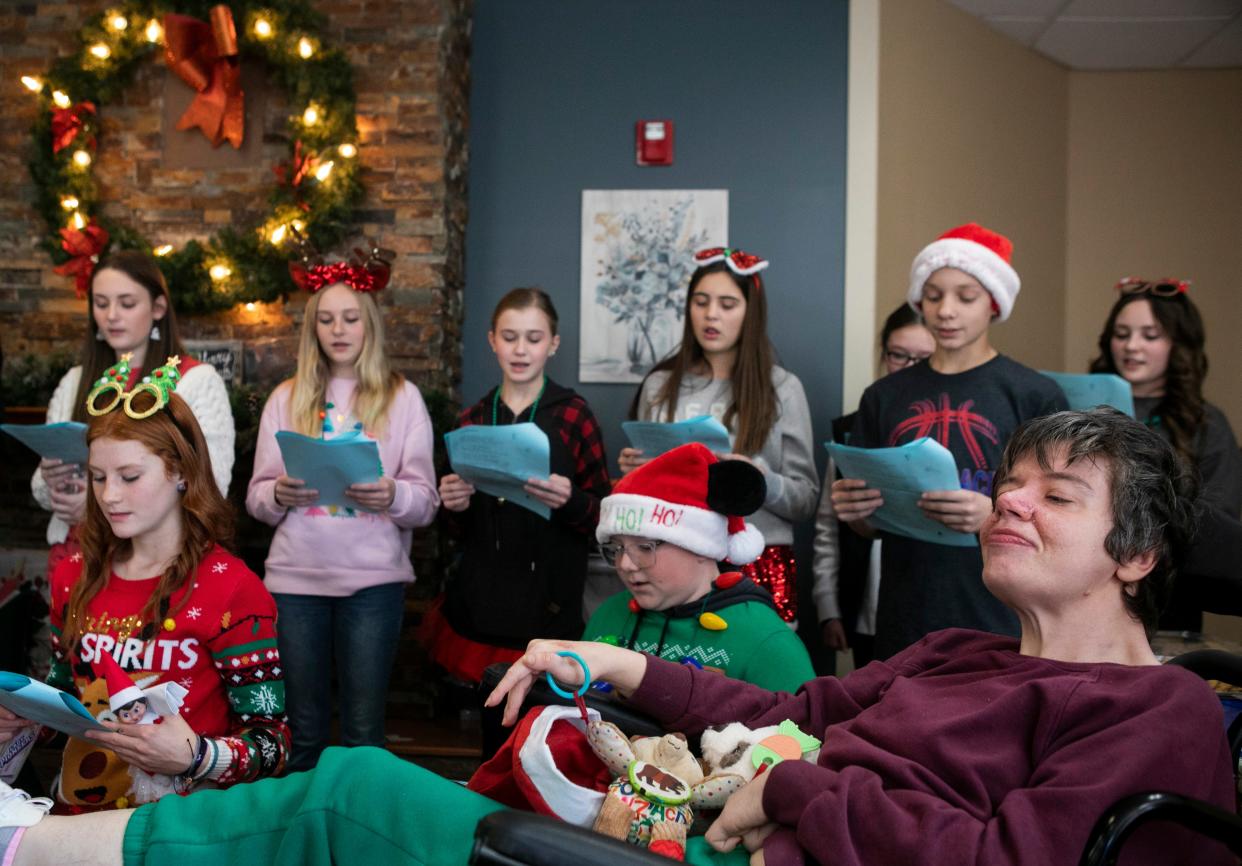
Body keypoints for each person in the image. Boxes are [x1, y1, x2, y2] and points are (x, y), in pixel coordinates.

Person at [3, 409, 1234, 866]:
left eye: (1053, 494)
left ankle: (35, 846)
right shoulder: (961, 657)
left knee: (350, 793)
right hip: (721, 821)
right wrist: (610, 659)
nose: (1008, 499)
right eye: (1008, 481)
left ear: (1135, 556)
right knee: (354, 780)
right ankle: (43, 838)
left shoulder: (1157, 713)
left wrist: (798, 796)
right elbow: (786, 717)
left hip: (742, 845)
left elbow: (1007, 858)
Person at [0, 358, 286, 815]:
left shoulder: (231, 589)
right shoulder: (74, 575)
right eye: (97, 477)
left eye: (129, 477)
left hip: (180, 831)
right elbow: (65, 698)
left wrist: (197, 756)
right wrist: (23, 721)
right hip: (77, 823)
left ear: (182, 475)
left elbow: (272, 743)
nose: (109, 494)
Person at [832, 223, 1067, 659]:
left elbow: (1062, 511)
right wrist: (856, 513)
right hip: (905, 615)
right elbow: (867, 523)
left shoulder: (1033, 394)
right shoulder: (884, 396)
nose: (946, 310)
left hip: (999, 615)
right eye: (934, 295)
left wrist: (991, 515)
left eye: (966, 296)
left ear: (993, 304)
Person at [245, 249, 439, 772]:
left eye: (351, 318)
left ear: (369, 324)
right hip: (294, 584)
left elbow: (426, 502)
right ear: (312, 329)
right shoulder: (286, 398)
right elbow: (256, 500)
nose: (339, 330)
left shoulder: (403, 398)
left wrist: (392, 494)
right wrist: (279, 494)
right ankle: (301, 840)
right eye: (326, 320)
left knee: (363, 734)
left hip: (372, 586)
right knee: (302, 731)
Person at [620, 247, 818, 623]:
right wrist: (637, 473)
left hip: (758, 564)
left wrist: (756, 478)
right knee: (668, 675)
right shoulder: (660, 385)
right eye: (701, 302)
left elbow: (806, 500)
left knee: (752, 676)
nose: (711, 314)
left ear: (750, 312)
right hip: (670, 560)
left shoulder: (783, 388)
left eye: (727, 304)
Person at [423, 288, 611, 683]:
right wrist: (453, 506)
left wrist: (571, 500)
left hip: (551, 600)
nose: (521, 350)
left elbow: (605, 519)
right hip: (483, 598)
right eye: (509, 337)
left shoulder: (574, 415)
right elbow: (454, 531)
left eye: (534, 338)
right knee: (488, 713)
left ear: (553, 344)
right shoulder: (473, 419)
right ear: (492, 340)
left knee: (542, 721)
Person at [31, 251, 235, 577]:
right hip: (78, 557)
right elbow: (40, 486)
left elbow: (213, 484)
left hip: (163, 562)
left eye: (126, 304)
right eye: (100, 303)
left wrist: (94, 502)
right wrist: (50, 481)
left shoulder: (195, 380)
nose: (112, 315)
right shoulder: (75, 381)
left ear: (158, 308)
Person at [582, 443, 815, 693]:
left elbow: (804, 730)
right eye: (616, 548)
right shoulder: (608, 615)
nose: (625, 564)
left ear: (702, 547)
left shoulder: (766, 641)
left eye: (645, 547)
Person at [1089, 277, 1242, 631]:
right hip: (1081, 594)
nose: (1132, 346)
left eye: (1150, 335)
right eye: (1122, 333)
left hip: (1167, 603)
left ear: (1178, 343)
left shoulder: (1205, 423)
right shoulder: (1082, 411)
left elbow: (1216, 523)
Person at [812, 304, 934, 667]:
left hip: (934, 605)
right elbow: (827, 524)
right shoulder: (856, 429)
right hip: (868, 605)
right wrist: (829, 607)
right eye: (899, 356)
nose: (909, 369)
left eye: (923, 358)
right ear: (883, 355)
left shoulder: (952, 433)